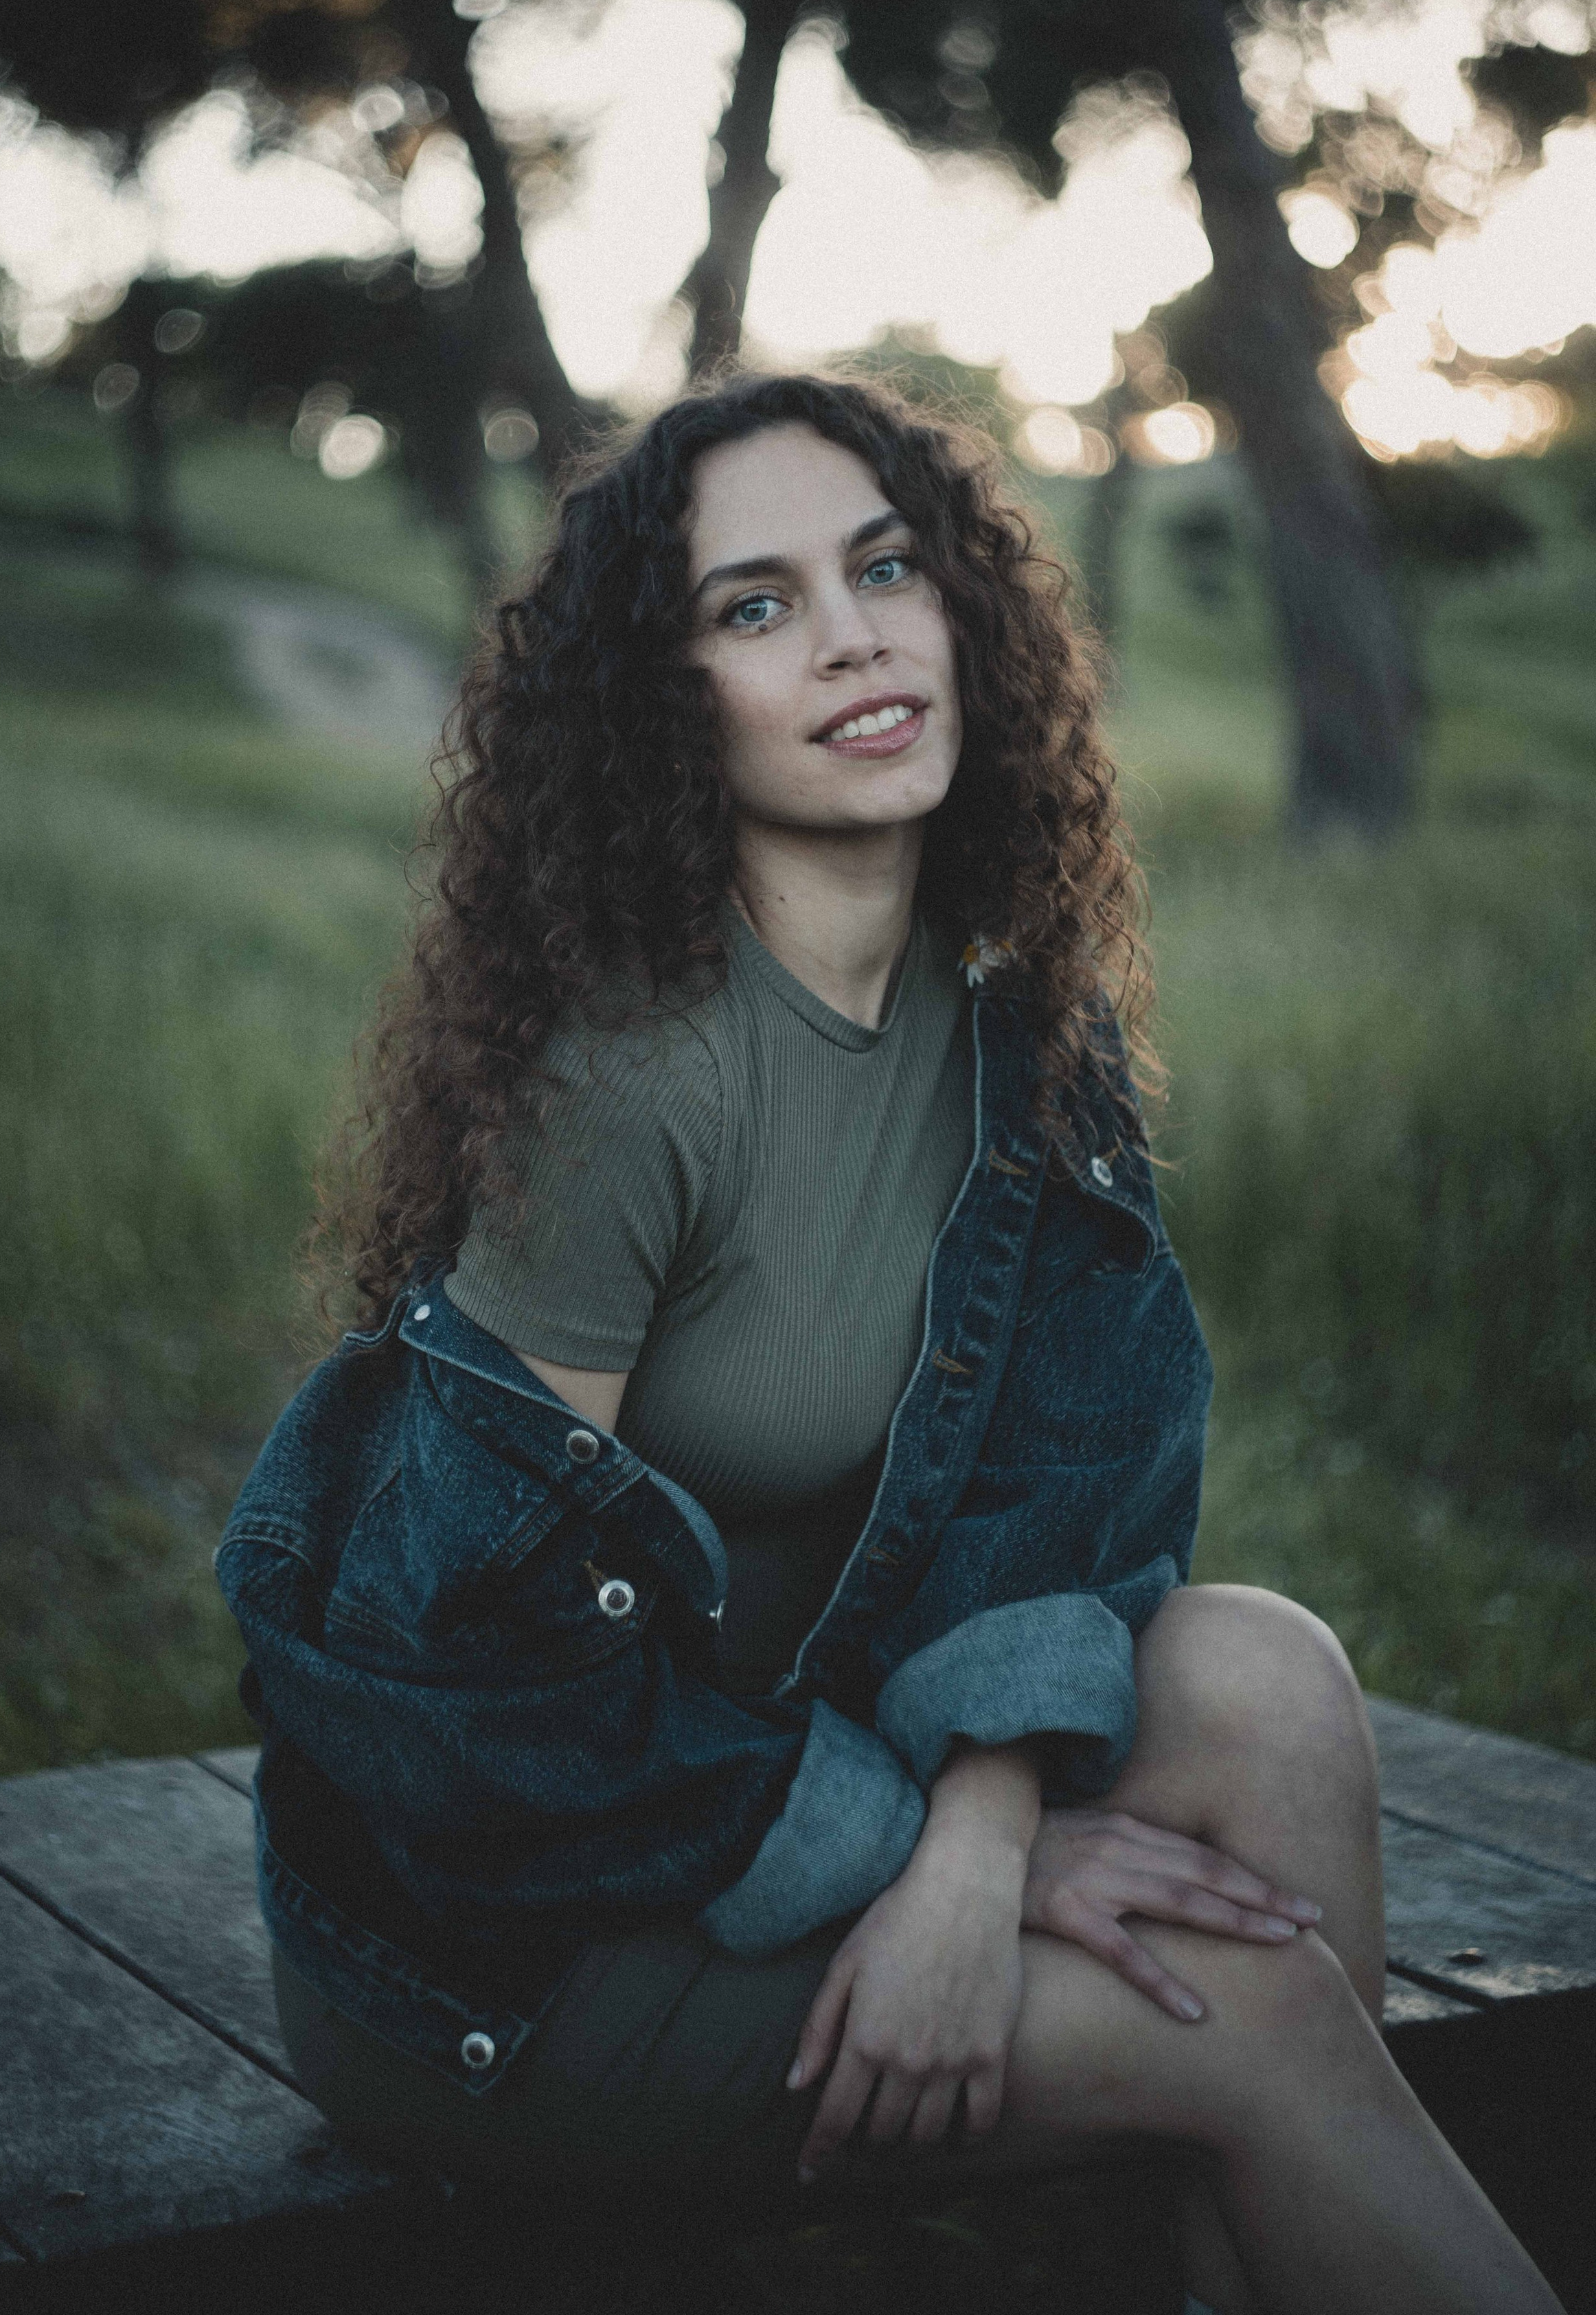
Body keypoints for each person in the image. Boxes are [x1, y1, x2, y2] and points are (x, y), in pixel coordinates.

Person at [217, 374, 1560, 2315]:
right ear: (663, 701)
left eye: (887, 568)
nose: (851, 635)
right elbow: (460, 1666)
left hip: (825, 1779)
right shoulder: (630, 1076)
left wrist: (981, 1843)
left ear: (964, 611)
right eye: (753, 607)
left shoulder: (1022, 1021)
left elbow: (1057, 1496)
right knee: (1260, 2021)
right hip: (526, 1941)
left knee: (1267, 1675)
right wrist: (896, 1855)